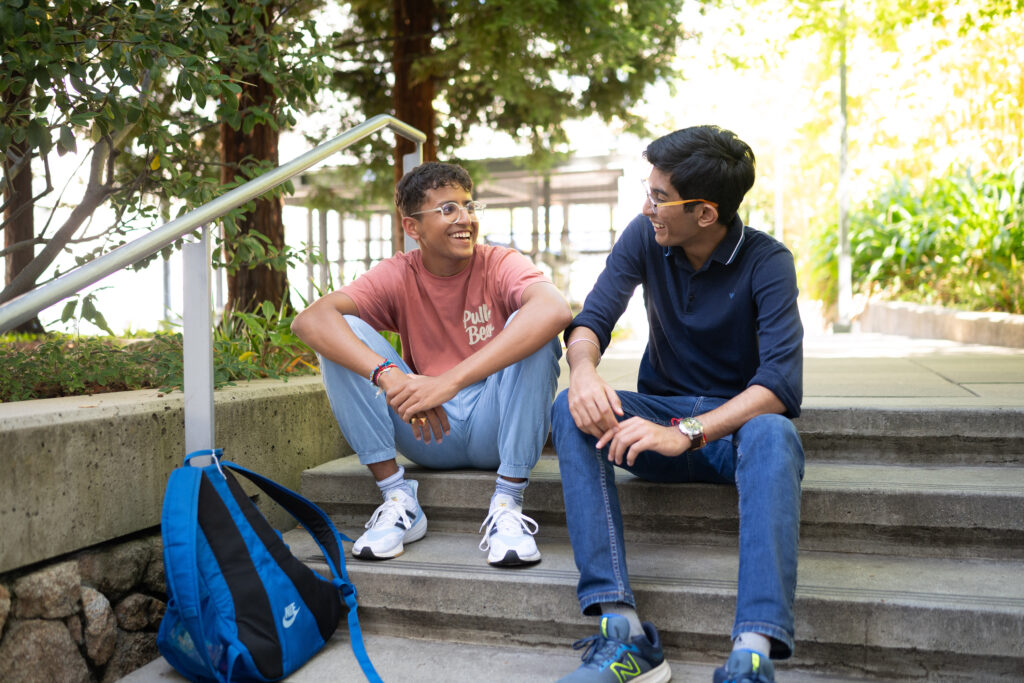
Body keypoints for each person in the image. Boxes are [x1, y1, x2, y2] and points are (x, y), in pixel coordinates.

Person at [551, 126, 804, 683]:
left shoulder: (768, 262)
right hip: (655, 423)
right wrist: (585, 370)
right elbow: (591, 320)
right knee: (569, 406)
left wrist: (687, 431)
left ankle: (751, 656)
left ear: (706, 213)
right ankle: (625, 635)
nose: (648, 207)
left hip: (729, 437)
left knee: (775, 433)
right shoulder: (646, 237)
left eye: (660, 197)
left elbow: (780, 386)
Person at [292, 161, 571, 567]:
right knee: (341, 330)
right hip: (427, 428)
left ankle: (507, 505)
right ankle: (398, 498)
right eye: (448, 209)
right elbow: (310, 319)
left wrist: (450, 381)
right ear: (412, 227)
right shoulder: (399, 274)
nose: (465, 219)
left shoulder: (499, 262)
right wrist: (386, 375)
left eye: (469, 206)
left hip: (497, 424)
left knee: (533, 326)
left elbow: (554, 308)